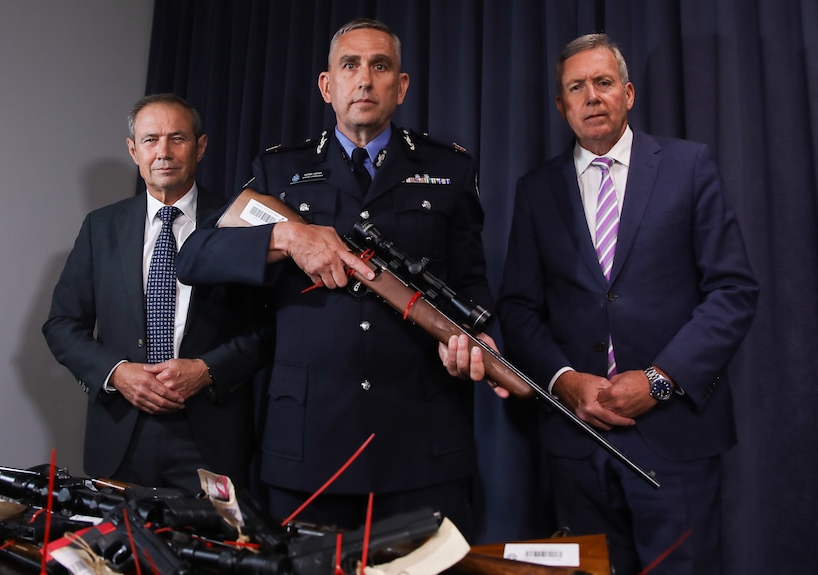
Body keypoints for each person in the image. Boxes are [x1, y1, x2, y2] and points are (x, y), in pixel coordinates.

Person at [176, 18, 500, 537]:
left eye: (380, 66)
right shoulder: (281, 170)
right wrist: (286, 239)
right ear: (328, 86)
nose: (365, 80)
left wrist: (480, 340)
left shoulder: (450, 169)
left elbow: (472, 283)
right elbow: (195, 256)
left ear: (402, 85)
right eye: (350, 66)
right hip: (310, 443)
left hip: (421, 443)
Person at [497, 33, 759, 574]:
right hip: (578, 441)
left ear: (629, 93)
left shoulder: (690, 167)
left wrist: (659, 379)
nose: (591, 96)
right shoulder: (536, 190)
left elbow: (733, 291)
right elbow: (518, 307)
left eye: (603, 82)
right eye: (577, 87)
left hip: (675, 438)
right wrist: (567, 382)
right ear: (561, 105)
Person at [43, 93, 270, 494]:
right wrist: (118, 373)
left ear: (200, 146)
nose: (163, 152)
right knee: (120, 554)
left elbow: (268, 328)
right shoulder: (101, 227)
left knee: (211, 554)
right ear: (134, 150)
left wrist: (207, 370)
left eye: (177, 138)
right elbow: (62, 325)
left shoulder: (239, 223)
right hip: (121, 436)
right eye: (151, 140)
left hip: (211, 438)